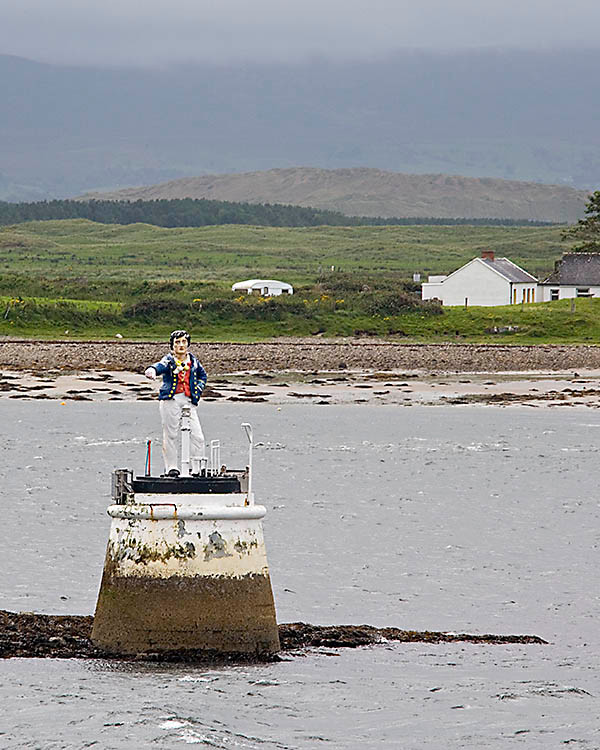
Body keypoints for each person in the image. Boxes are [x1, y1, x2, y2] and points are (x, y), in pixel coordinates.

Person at [144, 329, 208, 477]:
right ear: (172, 345)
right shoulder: (169, 360)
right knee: (171, 434)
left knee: (197, 435)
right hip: (171, 400)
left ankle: (197, 467)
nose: (181, 345)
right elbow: (160, 366)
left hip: (188, 401)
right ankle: (172, 467)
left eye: (184, 342)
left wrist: (197, 389)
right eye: (177, 342)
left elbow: (202, 376)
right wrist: (152, 370)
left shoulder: (194, 361)